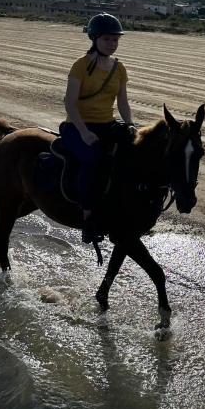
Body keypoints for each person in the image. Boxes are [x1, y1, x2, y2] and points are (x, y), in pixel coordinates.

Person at [62, 13, 135, 243]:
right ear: (94, 39)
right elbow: (70, 102)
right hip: (76, 125)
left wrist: (130, 123)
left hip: (107, 124)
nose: (112, 44)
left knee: (133, 155)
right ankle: (88, 217)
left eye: (115, 40)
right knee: (92, 161)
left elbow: (122, 102)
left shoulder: (119, 68)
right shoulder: (81, 65)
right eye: (107, 39)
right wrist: (84, 132)